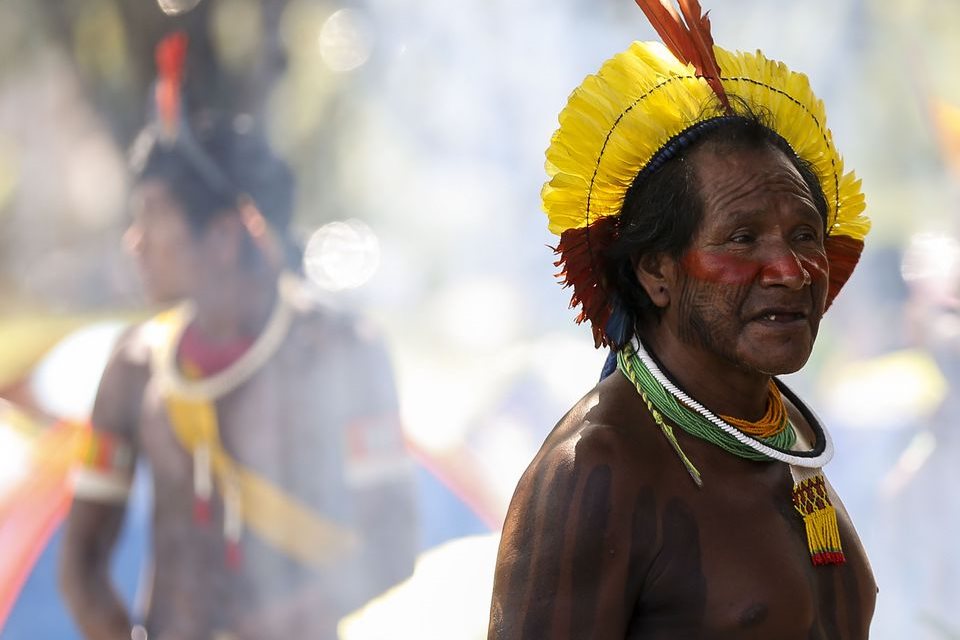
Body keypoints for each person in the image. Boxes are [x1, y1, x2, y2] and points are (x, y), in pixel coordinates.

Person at [489, 2, 876, 637]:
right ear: (656, 273)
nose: (790, 269)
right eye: (742, 237)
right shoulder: (596, 468)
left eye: (805, 233)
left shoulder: (784, 441)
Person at [59, 33, 418, 640]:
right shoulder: (133, 367)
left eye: (153, 216)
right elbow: (81, 563)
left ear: (224, 237)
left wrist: (278, 623)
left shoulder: (340, 352)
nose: (135, 241)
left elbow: (390, 543)